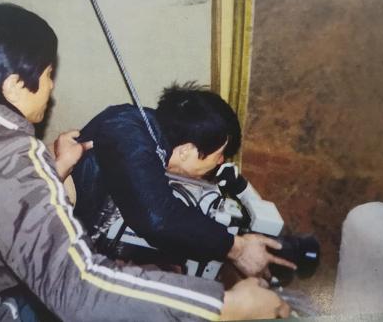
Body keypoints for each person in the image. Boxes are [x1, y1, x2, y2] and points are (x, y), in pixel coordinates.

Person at [0, 3, 290, 321]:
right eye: (48, 74)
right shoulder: (111, 130)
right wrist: (224, 304)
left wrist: (56, 169)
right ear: (14, 85)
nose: (51, 87)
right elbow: (80, 283)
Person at [71, 82, 297, 277]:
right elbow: (158, 217)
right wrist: (237, 249)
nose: (220, 162)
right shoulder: (125, 130)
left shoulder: (148, 137)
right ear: (186, 151)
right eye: (219, 155)